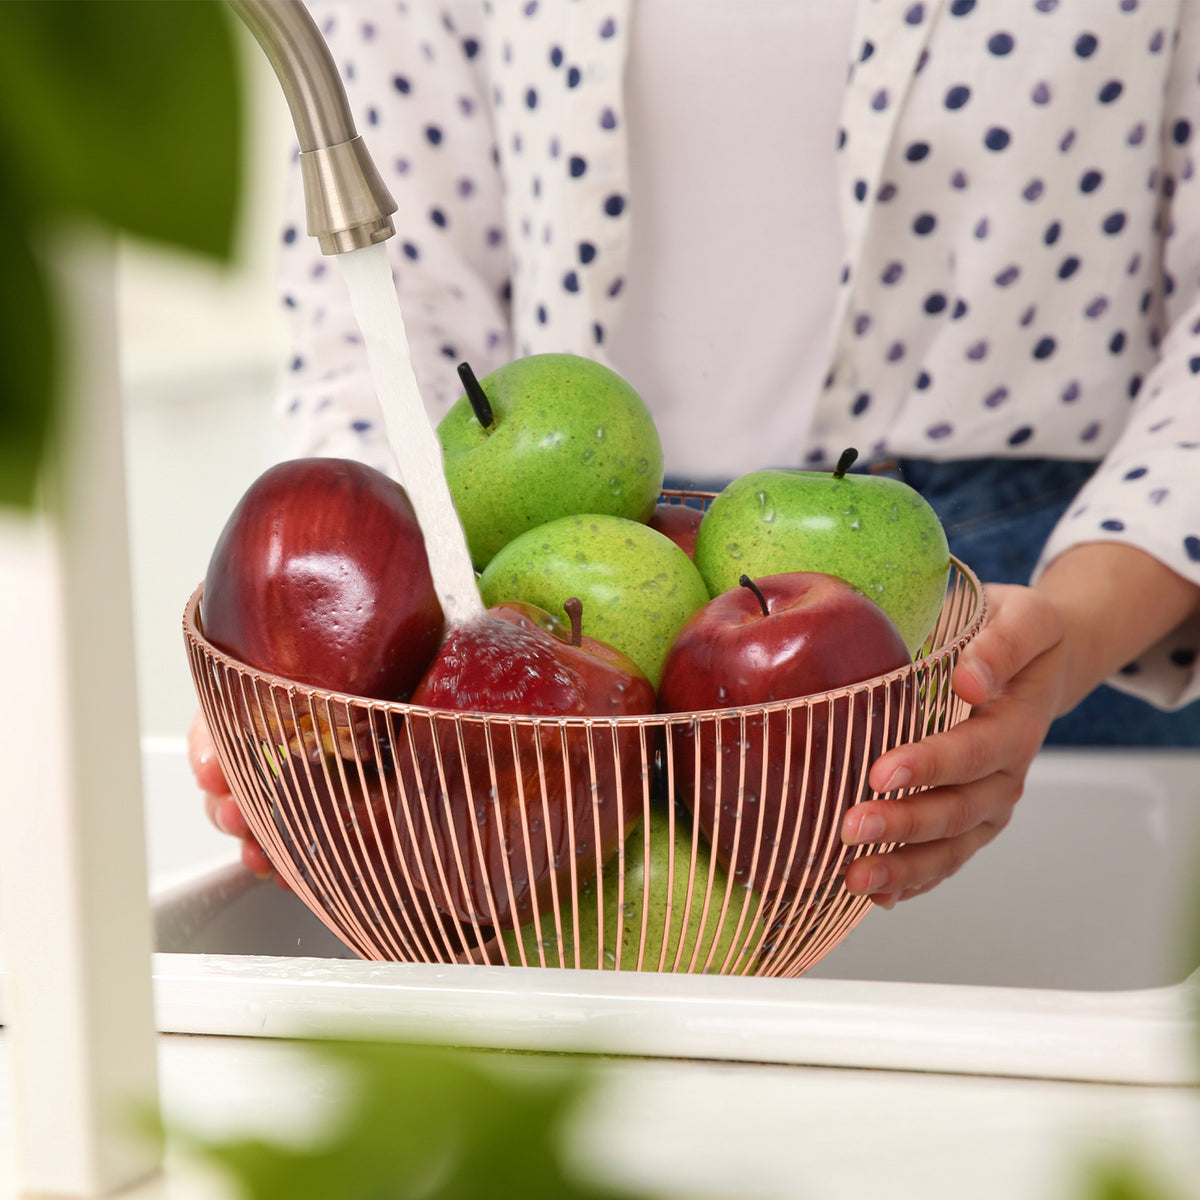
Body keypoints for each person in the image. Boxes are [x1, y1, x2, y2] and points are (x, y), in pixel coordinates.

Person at [193, 0, 1200, 909]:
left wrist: (1068, 632)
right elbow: (383, 290)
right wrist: (313, 665)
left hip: (1054, 609)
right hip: (532, 624)